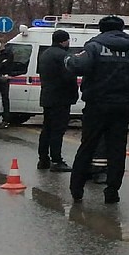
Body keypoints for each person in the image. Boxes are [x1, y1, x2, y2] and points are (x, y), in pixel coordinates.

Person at [65, 15, 129, 204]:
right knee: (117, 148)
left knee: (88, 145)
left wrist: (69, 59)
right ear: (122, 28)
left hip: (97, 104)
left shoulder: (94, 47)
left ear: (101, 29)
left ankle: (77, 189)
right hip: (123, 105)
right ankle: (112, 190)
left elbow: (77, 66)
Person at [37, 29, 77, 171]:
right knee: (57, 131)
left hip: (47, 96)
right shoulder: (63, 56)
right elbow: (68, 77)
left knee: (46, 129)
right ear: (63, 41)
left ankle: (43, 159)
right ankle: (56, 160)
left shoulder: (45, 54)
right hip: (61, 98)